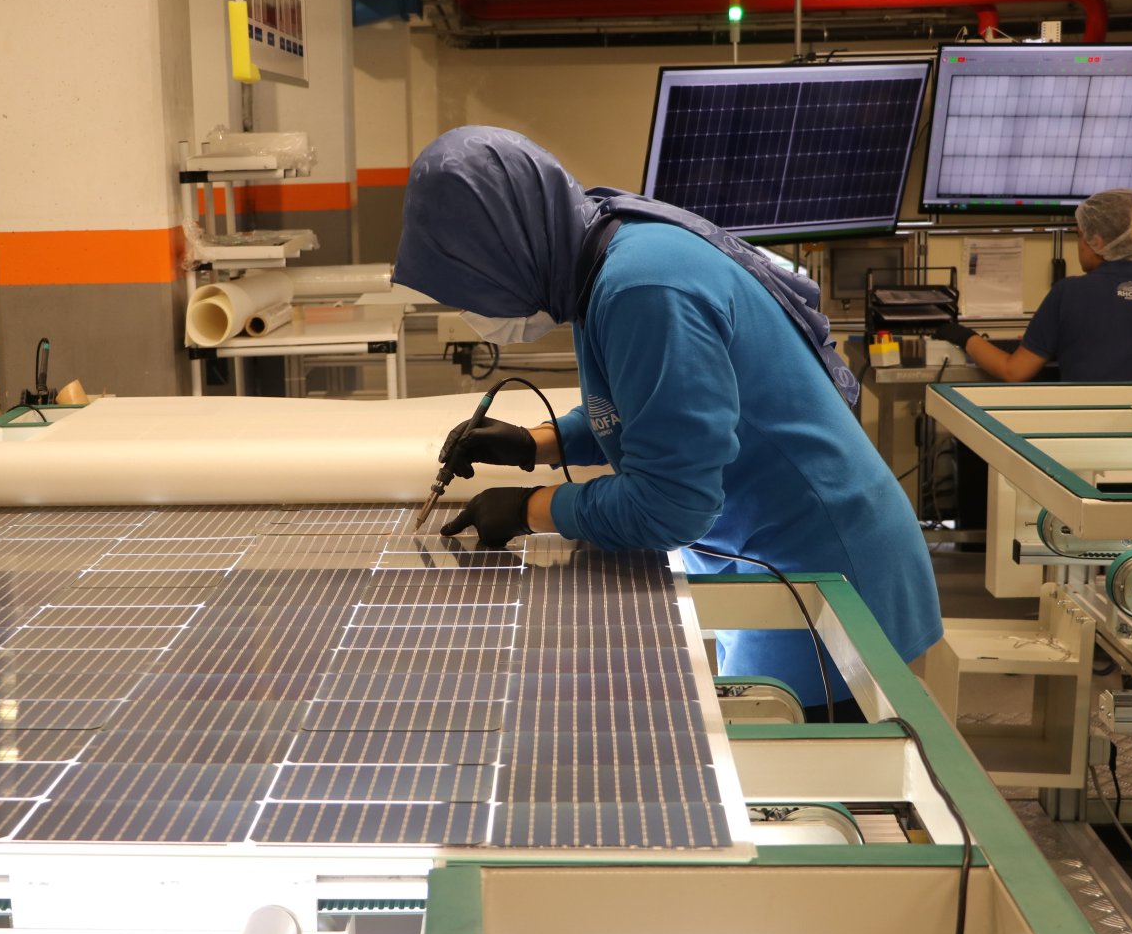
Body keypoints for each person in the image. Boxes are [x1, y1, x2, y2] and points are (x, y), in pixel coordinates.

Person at [392, 126, 942, 717]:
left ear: (508, 243)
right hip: (782, 560)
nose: (474, 309)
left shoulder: (642, 287)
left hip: (827, 586)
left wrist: (530, 508)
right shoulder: (603, 255)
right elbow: (654, 408)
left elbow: (672, 504)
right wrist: (538, 443)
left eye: (472, 285)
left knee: (809, 792)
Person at [934, 189, 1132, 383]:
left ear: (1098, 242)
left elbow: (1013, 371)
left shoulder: (1069, 293)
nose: (1079, 245)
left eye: (1081, 236)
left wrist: (964, 337)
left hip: (1085, 443)